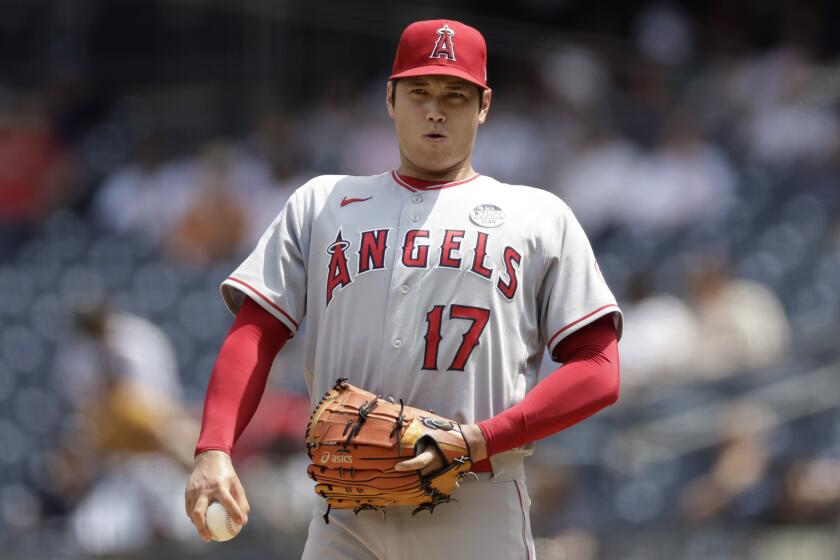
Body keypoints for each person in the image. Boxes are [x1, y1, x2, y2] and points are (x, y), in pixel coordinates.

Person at [185, 19, 623, 559]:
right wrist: (214, 448)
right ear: (390, 98)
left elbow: (599, 367)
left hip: (476, 505)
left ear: (484, 105)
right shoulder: (322, 203)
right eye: (419, 92)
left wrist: (479, 440)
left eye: (455, 95)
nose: (436, 109)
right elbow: (256, 331)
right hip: (344, 512)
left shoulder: (538, 215)